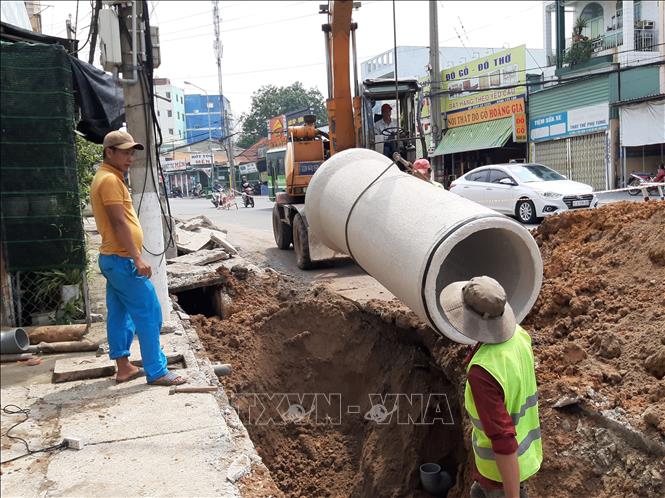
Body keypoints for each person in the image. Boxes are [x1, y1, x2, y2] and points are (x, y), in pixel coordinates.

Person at [91, 130, 186, 386]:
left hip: (113, 259)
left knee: (120, 314)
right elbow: (119, 222)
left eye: (132, 152)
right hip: (122, 260)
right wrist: (137, 258)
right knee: (149, 313)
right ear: (109, 152)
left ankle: (124, 368)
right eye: (124, 152)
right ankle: (157, 371)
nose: (130, 157)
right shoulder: (109, 180)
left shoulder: (108, 176)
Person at [440, 276, 542, 498]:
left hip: (501, 479)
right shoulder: (519, 336)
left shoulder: (483, 372)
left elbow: (503, 440)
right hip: (518, 464)